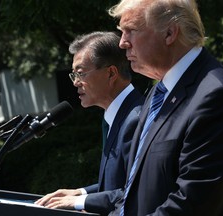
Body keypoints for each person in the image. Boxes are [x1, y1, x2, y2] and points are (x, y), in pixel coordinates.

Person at [103, 0, 223, 215]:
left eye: (131, 30)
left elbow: (192, 204)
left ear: (169, 34)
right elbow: (134, 190)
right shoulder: (160, 92)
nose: (122, 43)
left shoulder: (217, 96)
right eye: (122, 32)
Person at [35, 31, 144, 213]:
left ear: (111, 73)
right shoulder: (117, 115)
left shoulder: (136, 119)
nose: (76, 82)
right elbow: (116, 184)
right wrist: (80, 192)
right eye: (74, 75)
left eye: (81, 74)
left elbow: (136, 192)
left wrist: (80, 202)